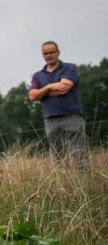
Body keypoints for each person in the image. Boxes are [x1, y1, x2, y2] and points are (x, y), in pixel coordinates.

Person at [28, 41, 87, 170]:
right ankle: (63, 182)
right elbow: (32, 97)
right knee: (57, 154)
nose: (49, 55)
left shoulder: (70, 68)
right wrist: (50, 86)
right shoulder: (37, 76)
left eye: (52, 52)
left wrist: (42, 92)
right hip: (51, 119)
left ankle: (83, 180)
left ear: (58, 53)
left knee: (79, 151)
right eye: (46, 53)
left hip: (72, 115)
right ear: (42, 55)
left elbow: (63, 89)